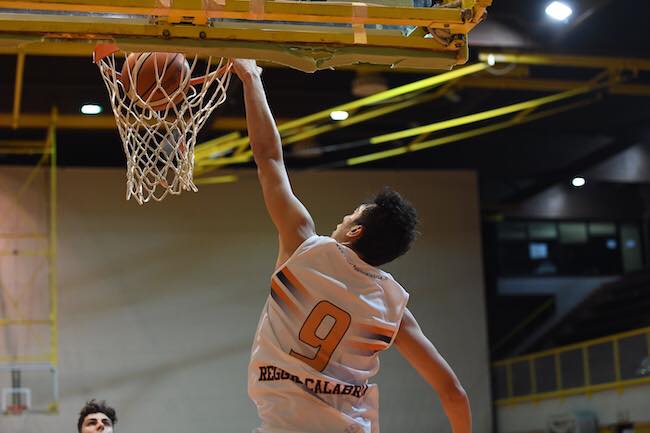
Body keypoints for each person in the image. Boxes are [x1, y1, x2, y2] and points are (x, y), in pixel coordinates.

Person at [233, 58, 471, 433]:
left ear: (356, 231)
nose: (342, 219)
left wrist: (251, 76)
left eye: (350, 215)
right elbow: (453, 391)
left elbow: (269, 158)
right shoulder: (393, 306)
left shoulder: (304, 248)